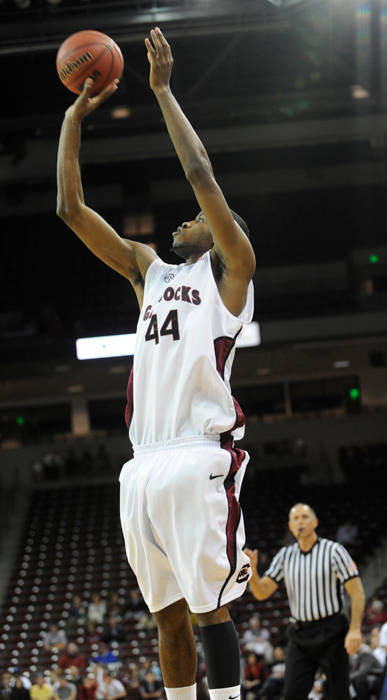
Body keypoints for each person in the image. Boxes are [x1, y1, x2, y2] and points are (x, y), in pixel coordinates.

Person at [57, 25, 255, 700]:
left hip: (198, 452)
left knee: (209, 611)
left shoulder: (232, 272)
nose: (184, 219)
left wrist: (164, 92)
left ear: (223, 230)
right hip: (141, 465)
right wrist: (70, 121)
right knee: (167, 616)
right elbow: (70, 209)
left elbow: (200, 174)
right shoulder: (149, 271)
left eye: (197, 218)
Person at [244, 503, 366, 700]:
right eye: (296, 518)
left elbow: (357, 592)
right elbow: (262, 592)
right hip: (300, 635)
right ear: (290, 526)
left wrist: (355, 628)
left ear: (315, 522)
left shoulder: (334, 551)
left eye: (305, 517)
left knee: (338, 694)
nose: (300, 521)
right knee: (292, 694)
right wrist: (253, 571)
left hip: (332, 632)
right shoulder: (285, 555)